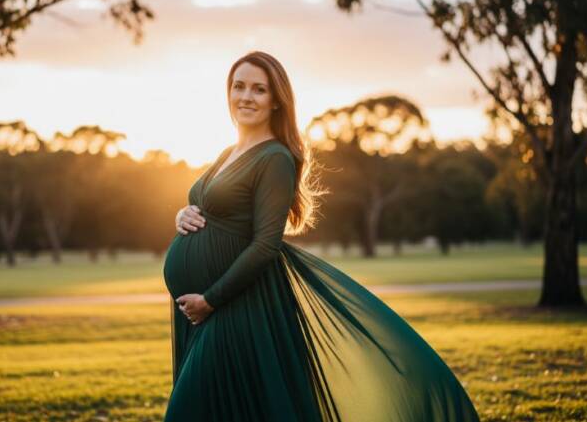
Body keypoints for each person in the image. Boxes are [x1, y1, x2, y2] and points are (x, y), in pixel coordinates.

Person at [162, 50, 480, 421]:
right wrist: (182, 213)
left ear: (277, 100)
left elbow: (265, 244)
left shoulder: (275, 158)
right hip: (201, 311)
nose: (246, 96)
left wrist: (211, 300)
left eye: (259, 89)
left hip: (234, 308)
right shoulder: (227, 153)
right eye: (239, 86)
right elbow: (212, 210)